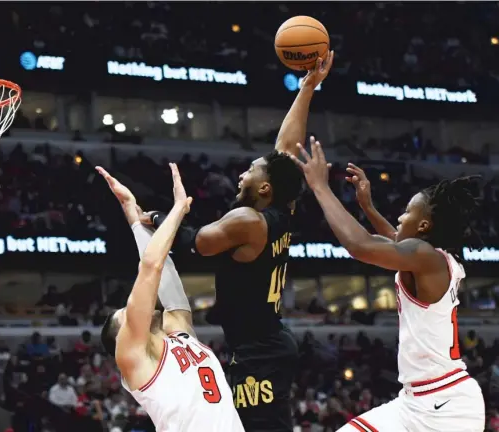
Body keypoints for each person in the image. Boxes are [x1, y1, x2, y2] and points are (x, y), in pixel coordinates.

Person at [142, 53, 333, 431]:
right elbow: (285, 150)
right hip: (265, 342)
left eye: (250, 170)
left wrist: (156, 218)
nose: (242, 173)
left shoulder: (247, 220)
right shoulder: (282, 207)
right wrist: (307, 88)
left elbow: (194, 242)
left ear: (263, 187)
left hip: (259, 349)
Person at [291, 139, 485, 432]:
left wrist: (320, 187)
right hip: (415, 401)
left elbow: (361, 246)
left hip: (445, 406)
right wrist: (367, 207)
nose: (400, 217)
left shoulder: (426, 257)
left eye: (407, 212)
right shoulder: (431, 259)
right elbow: (394, 240)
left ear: (423, 227)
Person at [97, 164, 244, 432]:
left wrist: (134, 216)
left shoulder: (179, 334)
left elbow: (164, 270)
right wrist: (177, 209)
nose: (135, 312)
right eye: (127, 317)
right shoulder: (135, 359)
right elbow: (150, 268)